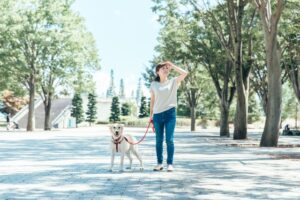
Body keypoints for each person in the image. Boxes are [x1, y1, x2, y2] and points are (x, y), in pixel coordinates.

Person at [149, 61, 188, 172]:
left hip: (170, 113)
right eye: (163, 68)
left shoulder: (173, 82)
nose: (166, 70)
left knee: (169, 140)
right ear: (158, 72)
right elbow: (152, 101)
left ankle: (170, 164)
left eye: (167, 69)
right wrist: (150, 116)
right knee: (158, 140)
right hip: (157, 115)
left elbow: (185, 73)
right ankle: (159, 163)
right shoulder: (154, 84)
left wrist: (172, 65)